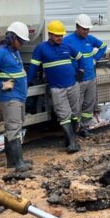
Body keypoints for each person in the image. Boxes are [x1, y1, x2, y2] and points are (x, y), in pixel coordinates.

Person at [0, 21, 33, 172]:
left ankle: (13, 161)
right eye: (21, 41)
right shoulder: (1, 52)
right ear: (12, 38)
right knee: (14, 129)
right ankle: (19, 164)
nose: (22, 44)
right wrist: (1, 85)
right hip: (10, 98)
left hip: (18, 97)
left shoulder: (13, 51)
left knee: (13, 128)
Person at [27, 20, 82, 153]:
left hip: (72, 86)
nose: (60, 38)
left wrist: (81, 71)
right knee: (64, 115)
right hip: (57, 89)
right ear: (50, 34)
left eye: (61, 35)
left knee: (75, 114)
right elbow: (34, 67)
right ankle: (72, 143)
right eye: (57, 35)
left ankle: (70, 139)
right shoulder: (41, 48)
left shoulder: (67, 46)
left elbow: (80, 57)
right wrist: (26, 82)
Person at [63, 14, 107, 138]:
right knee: (76, 106)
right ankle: (75, 129)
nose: (86, 31)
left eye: (88, 29)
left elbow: (103, 46)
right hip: (78, 80)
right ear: (77, 27)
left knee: (89, 104)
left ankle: (85, 127)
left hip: (91, 78)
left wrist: (95, 58)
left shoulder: (90, 39)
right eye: (84, 29)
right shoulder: (68, 40)